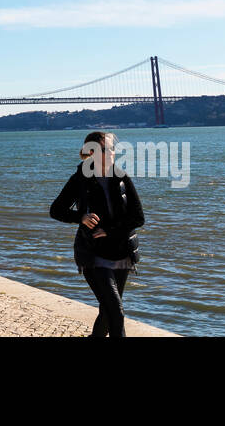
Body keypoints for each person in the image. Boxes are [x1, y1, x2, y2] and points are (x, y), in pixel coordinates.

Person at [49, 131, 144, 338]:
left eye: (111, 148)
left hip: (122, 253)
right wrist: (81, 217)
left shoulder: (121, 176)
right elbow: (56, 210)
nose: (111, 152)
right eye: (105, 149)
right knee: (116, 312)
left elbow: (137, 218)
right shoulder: (80, 179)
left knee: (107, 311)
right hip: (94, 255)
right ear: (91, 152)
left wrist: (110, 231)